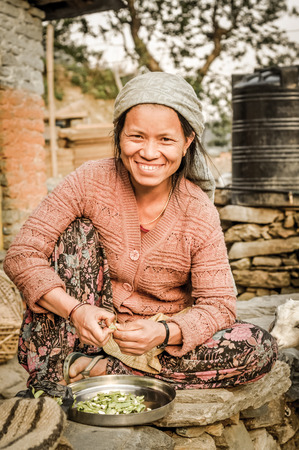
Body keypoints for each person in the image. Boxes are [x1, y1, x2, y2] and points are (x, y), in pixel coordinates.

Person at [4, 72, 277, 389]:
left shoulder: (198, 210)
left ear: (187, 142)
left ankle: (100, 369)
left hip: (156, 344)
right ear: (119, 135)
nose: (149, 152)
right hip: (73, 333)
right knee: (77, 230)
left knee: (258, 347)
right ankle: (66, 362)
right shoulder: (89, 180)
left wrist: (165, 332)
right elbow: (22, 254)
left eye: (166, 139)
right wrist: (76, 311)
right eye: (136, 137)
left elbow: (219, 305)